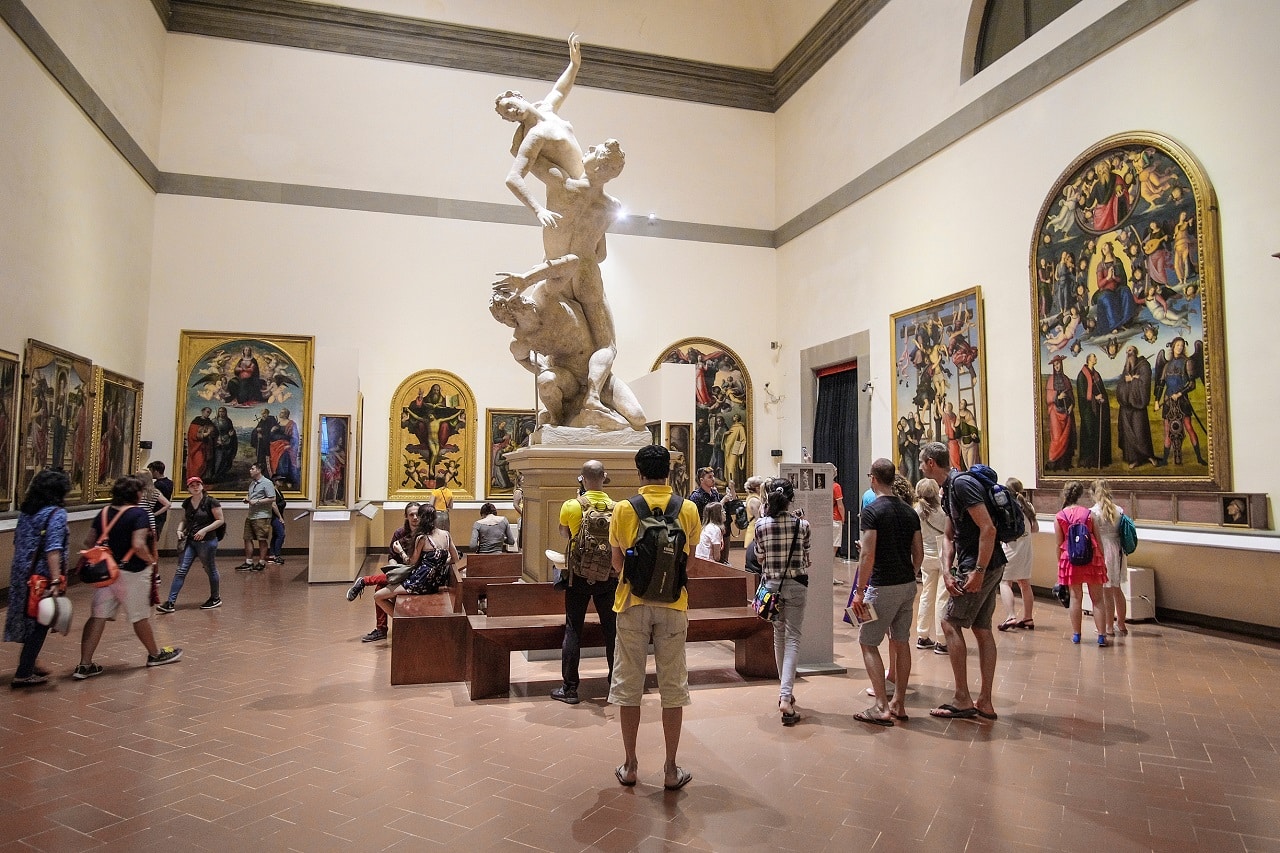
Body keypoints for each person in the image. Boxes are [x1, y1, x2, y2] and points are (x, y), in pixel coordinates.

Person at [607, 445, 700, 790]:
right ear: (668, 472)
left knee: (629, 685)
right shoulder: (688, 508)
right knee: (672, 686)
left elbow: (617, 562)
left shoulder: (624, 509)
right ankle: (671, 769)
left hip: (631, 602)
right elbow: (689, 563)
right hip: (674, 605)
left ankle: (630, 765)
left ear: (639, 472)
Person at [918, 441, 1004, 721]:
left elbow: (988, 528)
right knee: (981, 628)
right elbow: (948, 535)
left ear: (931, 462)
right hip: (980, 564)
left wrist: (978, 571)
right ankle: (985, 702)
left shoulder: (962, 485)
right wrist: (945, 569)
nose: (919, 468)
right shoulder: (948, 490)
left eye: (922, 462)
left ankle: (963, 698)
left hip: (982, 565)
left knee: (949, 622)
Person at [75, 475, 182, 679]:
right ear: (135, 494)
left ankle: (84, 664)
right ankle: (154, 654)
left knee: (97, 616)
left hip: (107, 572)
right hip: (132, 571)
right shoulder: (138, 514)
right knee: (139, 616)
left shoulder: (104, 512)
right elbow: (138, 544)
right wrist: (150, 561)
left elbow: (88, 542)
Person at [851, 459, 922, 726]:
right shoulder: (909, 511)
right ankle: (899, 703)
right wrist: (909, 573)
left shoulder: (873, 511)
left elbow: (868, 554)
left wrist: (859, 590)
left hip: (882, 586)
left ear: (873, 479)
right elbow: (919, 553)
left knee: (868, 641)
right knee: (901, 642)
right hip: (907, 584)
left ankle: (881, 705)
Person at [552, 460, 618, 704]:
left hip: (578, 576)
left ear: (582, 479)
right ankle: (615, 685)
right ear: (604, 477)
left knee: (573, 629)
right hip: (607, 576)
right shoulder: (616, 507)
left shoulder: (572, 505)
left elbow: (564, 533)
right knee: (611, 631)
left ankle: (569, 689)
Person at [754, 477, 811, 725]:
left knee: (779, 636)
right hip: (796, 585)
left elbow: (760, 558)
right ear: (791, 500)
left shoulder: (761, 525)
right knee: (793, 638)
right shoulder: (803, 525)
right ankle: (786, 696)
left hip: (772, 587)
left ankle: (784, 693)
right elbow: (807, 559)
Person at [6, 469, 70, 687]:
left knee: (30, 618)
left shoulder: (27, 511)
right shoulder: (56, 514)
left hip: (21, 573)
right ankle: (23, 673)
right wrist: (55, 580)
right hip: (41, 576)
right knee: (41, 622)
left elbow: (18, 540)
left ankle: (31, 663)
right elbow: (53, 548)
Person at [347, 503, 421, 643]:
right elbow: (392, 556)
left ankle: (364, 581)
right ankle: (381, 630)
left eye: (417, 514)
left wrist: (402, 555)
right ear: (406, 516)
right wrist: (394, 567)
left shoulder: (423, 535)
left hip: (415, 574)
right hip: (400, 571)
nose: (415, 517)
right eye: (411, 514)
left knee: (384, 583)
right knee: (380, 587)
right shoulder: (399, 533)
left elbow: (415, 563)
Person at [373, 505, 460, 617]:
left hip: (420, 581)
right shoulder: (446, 535)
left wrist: (400, 551)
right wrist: (439, 563)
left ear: (421, 518)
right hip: (436, 582)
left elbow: (412, 562)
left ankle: (400, 621)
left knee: (378, 596)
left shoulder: (422, 538)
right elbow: (455, 558)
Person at [157, 476, 224, 613]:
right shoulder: (187, 503)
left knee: (210, 569)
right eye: (192, 485)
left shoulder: (211, 502)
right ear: (188, 489)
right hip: (191, 540)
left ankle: (215, 598)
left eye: (197, 484)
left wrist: (204, 530)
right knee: (181, 570)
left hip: (207, 541)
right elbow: (184, 519)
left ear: (202, 486)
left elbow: (220, 520)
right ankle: (170, 602)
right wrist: (179, 530)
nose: (195, 487)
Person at [1055, 480, 1109, 646]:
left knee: (1075, 597)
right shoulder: (1089, 514)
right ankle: (1101, 635)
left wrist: (1060, 563)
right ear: (1079, 495)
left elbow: (1059, 543)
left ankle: (1077, 635)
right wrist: (1103, 559)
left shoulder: (1060, 516)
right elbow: (1098, 541)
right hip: (1092, 558)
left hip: (1070, 559)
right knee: (1098, 599)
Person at [997, 478, 1040, 631]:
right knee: (1025, 582)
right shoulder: (1028, 505)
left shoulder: (1008, 506)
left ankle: (1011, 616)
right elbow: (1035, 528)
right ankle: (1028, 618)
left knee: (1005, 581)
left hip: (1011, 547)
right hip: (1026, 548)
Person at [913, 478, 950, 654]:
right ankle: (942, 640)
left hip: (925, 555)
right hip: (943, 555)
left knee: (927, 593)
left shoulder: (916, 510)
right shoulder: (942, 510)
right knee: (942, 597)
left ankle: (922, 634)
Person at [1091, 478, 1129, 637]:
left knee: (1105, 591)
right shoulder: (1119, 510)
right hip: (1118, 549)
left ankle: (1108, 626)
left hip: (1103, 549)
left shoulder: (1094, 511)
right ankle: (1121, 623)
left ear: (1093, 493)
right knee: (1117, 589)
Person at [1116, 346, 1158, 468]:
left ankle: (1149, 456)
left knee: (1140, 432)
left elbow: (1145, 382)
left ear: (1135, 352)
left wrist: (1133, 380)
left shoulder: (1143, 365)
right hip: (1126, 407)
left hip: (1138, 406)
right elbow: (1121, 385)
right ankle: (1134, 459)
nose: (1128, 353)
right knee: (1129, 435)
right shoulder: (1126, 367)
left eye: (1130, 351)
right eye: (1126, 352)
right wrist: (1128, 381)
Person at [236, 463, 275, 571]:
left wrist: (256, 501)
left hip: (262, 516)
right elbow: (251, 495)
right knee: (247, 538)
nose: (250, 470)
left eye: (252, 469)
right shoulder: (253, 483)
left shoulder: (267, 483)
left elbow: (272, 498)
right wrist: (247, 499)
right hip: (251, 515)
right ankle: (249, 562)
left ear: (258, 470)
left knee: (261, 539)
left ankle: (261, 562)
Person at [1076, 353, 1112, 468]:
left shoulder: (1096, 374)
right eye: (1094, 357)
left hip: (1097, 408)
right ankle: (1087, 461)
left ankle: (1098, 460)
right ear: (1089, 360)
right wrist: (1094, 398)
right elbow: (1082, 393)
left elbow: (1101, 388)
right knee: (1089, 433)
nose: (1096, 359)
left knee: (1098, 433)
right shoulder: (1082, 375)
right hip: (1088, 409)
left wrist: (1102, 398)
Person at [1045, 354, 1075, 470]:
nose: (1057, 366)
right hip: (1055, 413)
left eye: (1058, 364)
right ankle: (1054, 463)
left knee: (1067, 437)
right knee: (1057, 438)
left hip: (1067, 412)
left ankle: (1065, 463)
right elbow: (1049, 399)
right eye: (1055, 364)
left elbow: (1071, 395)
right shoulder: (1051, 380)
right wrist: (1058, 396)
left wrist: (1072, 405)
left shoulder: (1066, 379)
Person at [184, 407, 215, 482]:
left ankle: (199, 480)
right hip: (197, 446)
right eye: (207, 412)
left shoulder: (209, 422)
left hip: (205, 446)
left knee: (204, 464)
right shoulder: (196, 421)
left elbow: (214, 433)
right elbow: (193, 434)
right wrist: (206, 434)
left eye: (209, 413)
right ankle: (193, 480)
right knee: (199, 463)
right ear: (202, 411)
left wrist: (212, 433)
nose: (208, 414)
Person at [146, 461, 175, 539]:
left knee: (152, 539)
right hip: (162, 514)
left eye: (151, 471)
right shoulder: (170, 482)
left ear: (156, 471)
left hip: (156, 512)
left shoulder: (157, 485)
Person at [268, 476, 288, 565]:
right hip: (274, 516)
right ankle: (276, 555)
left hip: (278, 515)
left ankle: (272, 554)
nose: (281, 482)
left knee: (276, 535)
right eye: (280, 480)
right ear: (275, 481)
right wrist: (280, 517)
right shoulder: (273, 491)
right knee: (281, 534)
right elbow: (274, 505)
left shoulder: (278, 491)